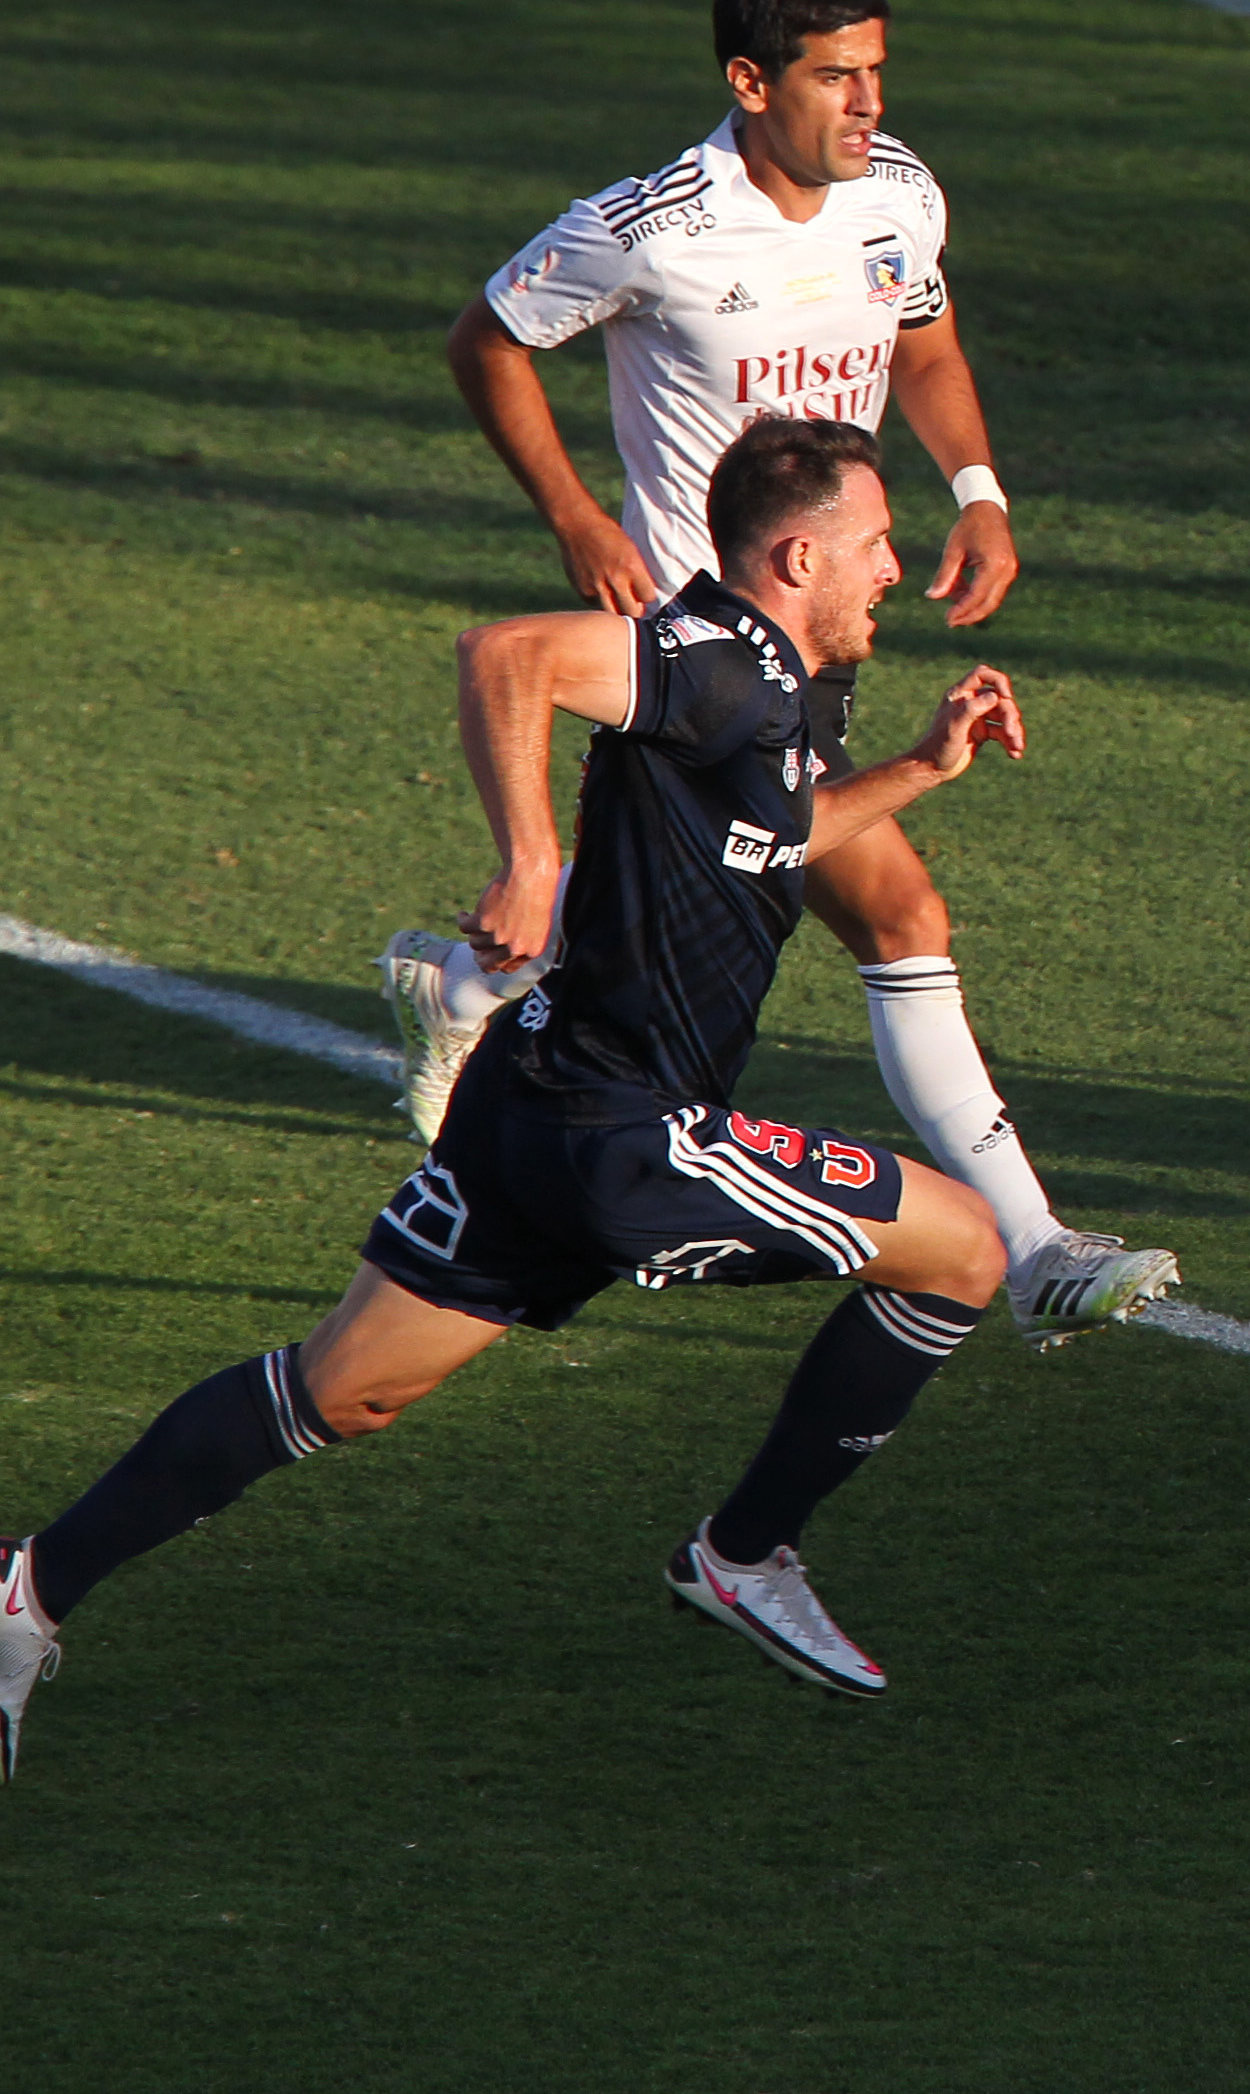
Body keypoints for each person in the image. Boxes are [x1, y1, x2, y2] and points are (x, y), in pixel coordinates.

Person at [4, 421, 1040, 1778]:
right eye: (874, 546)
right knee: (965, 1249)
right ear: (799, 555)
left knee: (339, 1393)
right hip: (625, 1131)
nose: (894, 570)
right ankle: (744, 1553)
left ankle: (23, 1593)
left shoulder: (765, 690)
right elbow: (508, 655)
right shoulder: (715, 657)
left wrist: (918, 770)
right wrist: (531, 859)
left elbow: (767, 841)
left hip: (533, 1105)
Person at [383, 0, 1174, 1343]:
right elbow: (487, 340)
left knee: (686, 921)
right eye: (833, 75)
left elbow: (923, 344)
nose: (866, 100)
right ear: (751, 83)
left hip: (818, 651)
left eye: (877, 70)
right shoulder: (653, 226)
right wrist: (575, 514)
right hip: (695, 671)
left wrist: (979, 493)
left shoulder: (900, 195)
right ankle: (1037, 1247)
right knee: (897, 913)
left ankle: (473, 982)